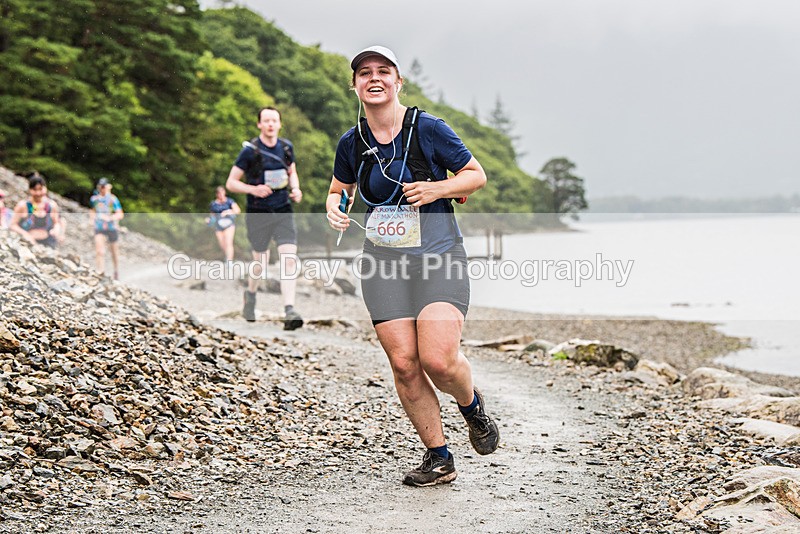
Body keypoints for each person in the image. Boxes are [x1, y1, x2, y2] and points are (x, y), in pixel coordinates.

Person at [326, 46, 499, 487]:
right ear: (355, 85)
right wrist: (335, 207)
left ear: (398, 81)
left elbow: (475, 175)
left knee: (438, 361)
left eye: (383, 71)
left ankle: (472, 406)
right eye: (364, 73)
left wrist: (437, 188)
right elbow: (338, 189)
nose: (374, 78)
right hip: (383, 264)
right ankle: (439, 456)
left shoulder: (429, 129)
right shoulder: (352, 142)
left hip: (440, 259)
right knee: (404, 363)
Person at [226, 106, 304, 330]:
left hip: (282, 210)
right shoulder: (250, 151)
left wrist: (296, 189)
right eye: (266, 121)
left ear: (279, 124)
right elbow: (231, 183)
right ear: (259, 124)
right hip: (258, 211)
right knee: (260, 262)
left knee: (288, 258)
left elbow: (292, 172)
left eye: (274, 121)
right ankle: (250, 295)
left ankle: (289, 310)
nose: (270, 124)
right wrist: (253, 189)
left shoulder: (287, 147)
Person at [9, 172, 65, 248]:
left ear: (45, 188)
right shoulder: (23, 206)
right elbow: (12, 225)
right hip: (27, 244)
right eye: (35, 189)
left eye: (40, 189)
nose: (38, 193)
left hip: (48, 244)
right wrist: (25, 234)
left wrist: (56, 230)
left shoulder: (51, 205)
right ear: (30, 190)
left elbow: (56, 222)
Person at [90, 177, 124, 279]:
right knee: (99, 251)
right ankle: (101, 272)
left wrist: (111, 218)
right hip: (99, 227)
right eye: (100, 187)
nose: (102, 189)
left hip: (111, 227)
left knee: (114, 251)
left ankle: (116, 270)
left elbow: (120, 214)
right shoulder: (94, 199)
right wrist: (92, 219)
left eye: (104, 187)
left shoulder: (113, 199)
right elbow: (92, 210)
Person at [207, 185, 241, 263]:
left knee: (229, 242)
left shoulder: (229, 201)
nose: (221, 195)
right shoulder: (213, 204)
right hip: (218, 226)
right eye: (219, 193)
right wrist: (209, 220)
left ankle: (229, 261)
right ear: (217, 194)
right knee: (222, 244)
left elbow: (237, 210)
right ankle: (227, 256)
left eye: (222, 193)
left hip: (229, 224)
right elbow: (212, 216)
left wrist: (228, 211)